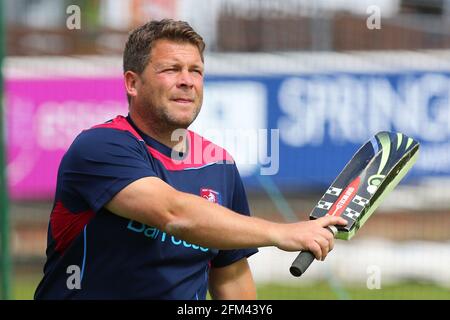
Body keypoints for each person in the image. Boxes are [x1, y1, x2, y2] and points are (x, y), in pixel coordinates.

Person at [34, 19, 347, 300]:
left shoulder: (219, 166)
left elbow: (232, 279)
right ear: (132, 82)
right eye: (171, 69)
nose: (187, 81)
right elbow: (175, 214)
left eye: (195, 70)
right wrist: (281, 233)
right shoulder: (100, 147)